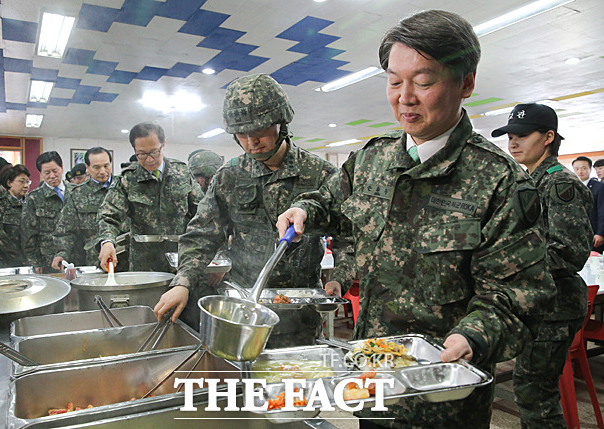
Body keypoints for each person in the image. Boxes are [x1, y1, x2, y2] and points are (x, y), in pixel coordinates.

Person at [276, 10, 554, 428]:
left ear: (466, 83)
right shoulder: (372, 158)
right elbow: (329, 201)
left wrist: (473, 336)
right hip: (372, 382)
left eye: (423, 82)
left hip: (443, 396)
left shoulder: (500, 181)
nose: (405, 97)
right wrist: (305, 211)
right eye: (393, 81)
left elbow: (517, 294)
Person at [154, 74, 354, 343]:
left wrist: (340, 277)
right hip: (243, 305)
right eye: (242, 134)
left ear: (281, 123)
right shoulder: (230, 176)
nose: (251, 142)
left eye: (259, 131)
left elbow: (347, 234)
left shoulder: (320, 174)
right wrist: (183, 282)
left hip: (300, 309)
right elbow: (202, 235)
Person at [492, 103, 592, 428]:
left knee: (536, 394)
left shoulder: (560, 185)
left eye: (522, 135)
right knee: (531, 392)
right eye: (510, 136)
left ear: (548, 137)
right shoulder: (531, 181)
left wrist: (508, 262)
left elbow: (570, 251)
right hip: (538, 303)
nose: (513, 142)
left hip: (555, 306)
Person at [96, 122, 201, 272]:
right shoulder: (128, 179)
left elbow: (202, 214)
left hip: (181, 260)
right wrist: (107, 242)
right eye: (142, 154)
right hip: (144, 265)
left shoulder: (182, 173)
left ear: (163, 145)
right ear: (134, 150)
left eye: (154, 152)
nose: (149, 159)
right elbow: (108, 215)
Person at [52, 147, 114, 270]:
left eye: (106, 166)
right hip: (94, 263)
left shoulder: (123, 188)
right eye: (97, 167)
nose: (102, 171)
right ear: (87, 167)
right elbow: (66, 230)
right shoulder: (77, 194)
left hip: (126, 260)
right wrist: (62, 253)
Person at [22, 151, 76, 273]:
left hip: (77, 256)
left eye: (55, 171)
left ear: (62, 168)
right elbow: (29, 234)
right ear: (41, 173)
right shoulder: (34, 198)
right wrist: (35, 262)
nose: (52, 176)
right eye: (47, 173)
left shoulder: (76, 192)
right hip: (49, 260)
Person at [0, 164, 31, 269]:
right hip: (4, 265)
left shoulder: (31, 204)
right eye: (22, 181)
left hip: (28, 264)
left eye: (27, 182)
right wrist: (20, 257)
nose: (26, 186)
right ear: (9, 183)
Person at [572, 156, 604, 252]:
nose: (580, 171)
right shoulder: (571, 187)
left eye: (584, 168)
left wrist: (600, 233)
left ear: (590, 169)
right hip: (576, 235)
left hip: (593, 234)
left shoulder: (599, 187)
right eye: (576, 169)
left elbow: (602, 211)